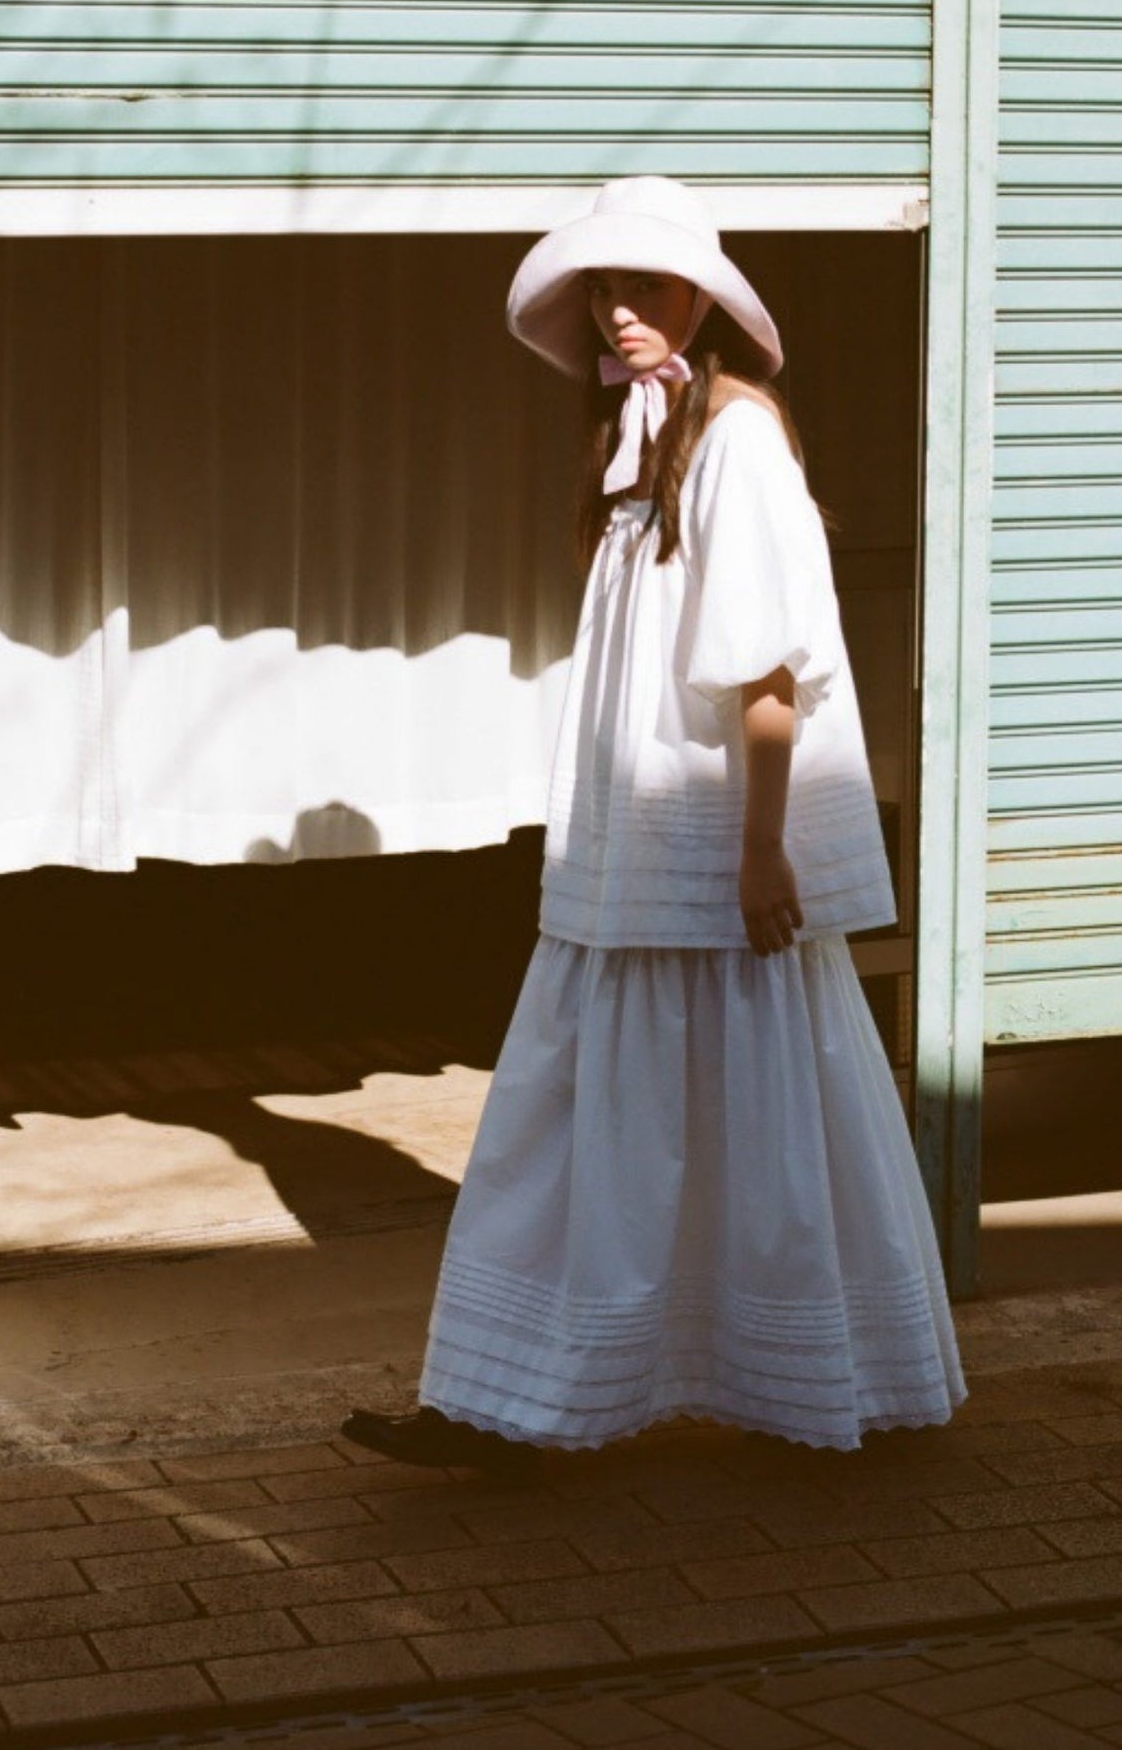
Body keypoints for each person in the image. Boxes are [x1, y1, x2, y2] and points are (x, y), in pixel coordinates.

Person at [343, 176, 963, 1469]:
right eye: (604, 292)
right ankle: (514, 1398)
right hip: (633, 857)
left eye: (648, 287)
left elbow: (769, 667)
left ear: (706, 301)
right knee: (595, 1123)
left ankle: (790, 1387)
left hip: (706, 850)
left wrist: (759, 846)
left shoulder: (736, 438)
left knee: (753, 1130)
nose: (622, 312)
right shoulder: (646, 437)